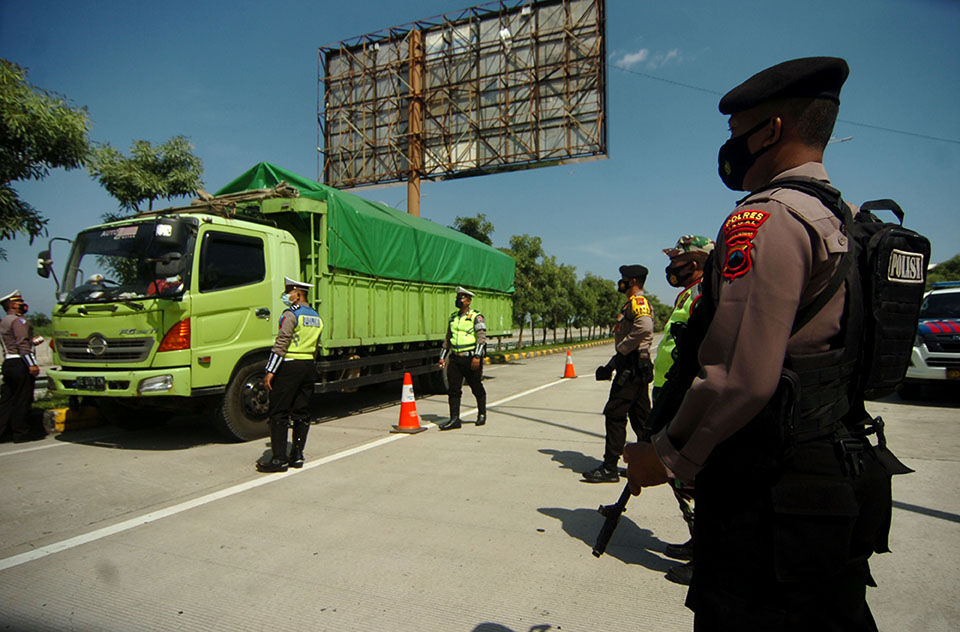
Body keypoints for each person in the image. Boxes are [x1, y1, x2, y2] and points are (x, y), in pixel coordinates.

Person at [625, 57, 908, 629]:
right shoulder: (848, 220)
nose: (729, 150)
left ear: (771, 131)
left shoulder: (767, 218)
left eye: (735, 134)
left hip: (771, 495)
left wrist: (666, 455)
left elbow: (738, 377)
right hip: (837, 476)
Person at [649, 235, 714, 585]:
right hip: (670, 392)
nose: (671, 267)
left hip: (687, 396)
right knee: (684, 478)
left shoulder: (707, 292)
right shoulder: (689, 292)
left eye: (677, 260)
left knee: (696, 475)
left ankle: (709, 556)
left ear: (696, 262)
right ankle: (698, 541)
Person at [582, 265, 654, 483]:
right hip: (633, 366)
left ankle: (610, 467)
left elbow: (644, 328)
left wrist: (621, 351)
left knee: (615, 414)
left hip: (632, 368)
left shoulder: (638, 302)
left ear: (632, 281)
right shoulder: (630, 304)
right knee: (642, 420)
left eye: (623, 279)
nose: (619, 283)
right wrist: (612, 364)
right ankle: (649, 464)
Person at [256, 277, 323, 473]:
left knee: (279, 411)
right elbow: (316, 346)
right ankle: (297, 455)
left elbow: (282, 343)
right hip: (308, 366)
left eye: (288, 291)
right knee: (301, 411)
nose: (286, 295)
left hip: (289, 366)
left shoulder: (291, 314)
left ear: (298, 293)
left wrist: (270, 370)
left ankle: (278, 459)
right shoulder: (315, 316)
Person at [437, 286, 487, 431]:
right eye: (458, 298)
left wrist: (477, 356)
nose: (459, 300)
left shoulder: (476, 317)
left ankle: (482, 414)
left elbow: (481, 338)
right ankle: (454, 419)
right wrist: (442, 357)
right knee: (453, 389)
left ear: (469, 301)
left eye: (462, 298)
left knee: (476, 386)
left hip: (470, 358)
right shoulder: (453, 317)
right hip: (455, 359)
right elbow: (448, 339)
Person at [0, 290, 43, 443]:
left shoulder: (4, 321)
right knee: (22, 399)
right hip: (20, 363)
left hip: (8, 362)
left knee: (7, 399)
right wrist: (32, 365)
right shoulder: (19, 321)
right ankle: (21, 432)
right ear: (12, 305)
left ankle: (3, 431)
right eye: (19, 302)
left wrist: (32, 341)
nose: (23, 304)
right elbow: (22, 345)